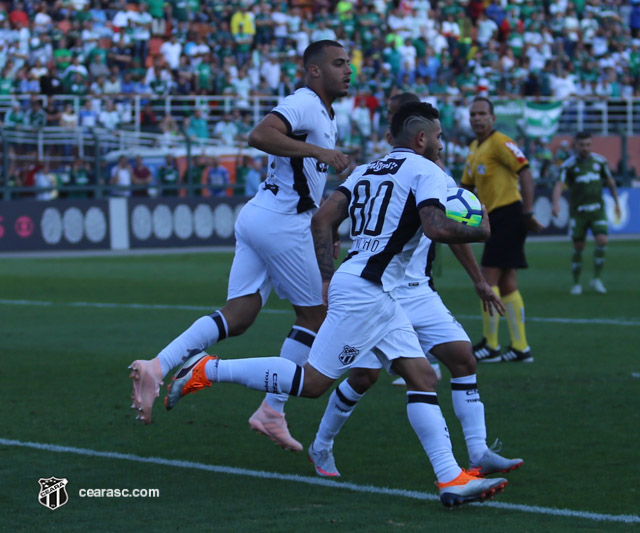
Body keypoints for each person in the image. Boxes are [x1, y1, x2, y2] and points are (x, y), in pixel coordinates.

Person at [164, 102, 508, 507]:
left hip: (369, 287)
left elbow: (322, 219)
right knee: (312, 383)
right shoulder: (426, 170)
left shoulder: (365, 170)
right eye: (438, 136)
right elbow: (433, 226)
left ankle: (451, 479)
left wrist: (327, 277)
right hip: (370, 290)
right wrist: (481, 229)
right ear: (421, 139)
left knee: (422, 378)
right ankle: (207, 369)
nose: (441, 143)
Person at [128, 40, 352, 428]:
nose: (347, 70)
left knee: (240, 314)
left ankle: (157, 365)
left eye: (348, 63)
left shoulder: (325, 114)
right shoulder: (305, 103)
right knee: (316, 316)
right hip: (283, 221)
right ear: (313, 70)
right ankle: (271, 409)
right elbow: (259, 135)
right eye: (337, 63)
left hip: (261, 215)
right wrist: (318, 152)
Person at [305, 92, 523, 481]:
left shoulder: (437, 176)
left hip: (416, 289)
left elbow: (447, 231)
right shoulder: (389, 169)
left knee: (462, 359)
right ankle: (322, 444)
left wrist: (479, 282)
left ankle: (477, 453)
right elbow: (433, 228)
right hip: (377, 286)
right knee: (363, 377)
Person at [461, 97, 543, 364]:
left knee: (488, 279)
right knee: (507, 282)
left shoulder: (501, 142)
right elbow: (468, 188)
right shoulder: (474, 147)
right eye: (473, 114)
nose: (477, 118)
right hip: (492, 218)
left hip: (508, 214)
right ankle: (521, 347)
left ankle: (492, 345)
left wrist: (528, 212)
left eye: (482, 114)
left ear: (493, 118)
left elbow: (526, 172)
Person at [552, 131, 621, 295]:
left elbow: (610, 182)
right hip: (579, 212)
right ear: (575, 145)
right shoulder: (568, 165)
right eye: (582, 145)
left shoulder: (600, 162)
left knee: (602, 240)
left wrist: (617, 203)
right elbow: (559, 185)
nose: (585, 148)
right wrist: (556, 203)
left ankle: (596, 279)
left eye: (588, 144)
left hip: (597, 209)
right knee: (579, 246)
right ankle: (576, 283)